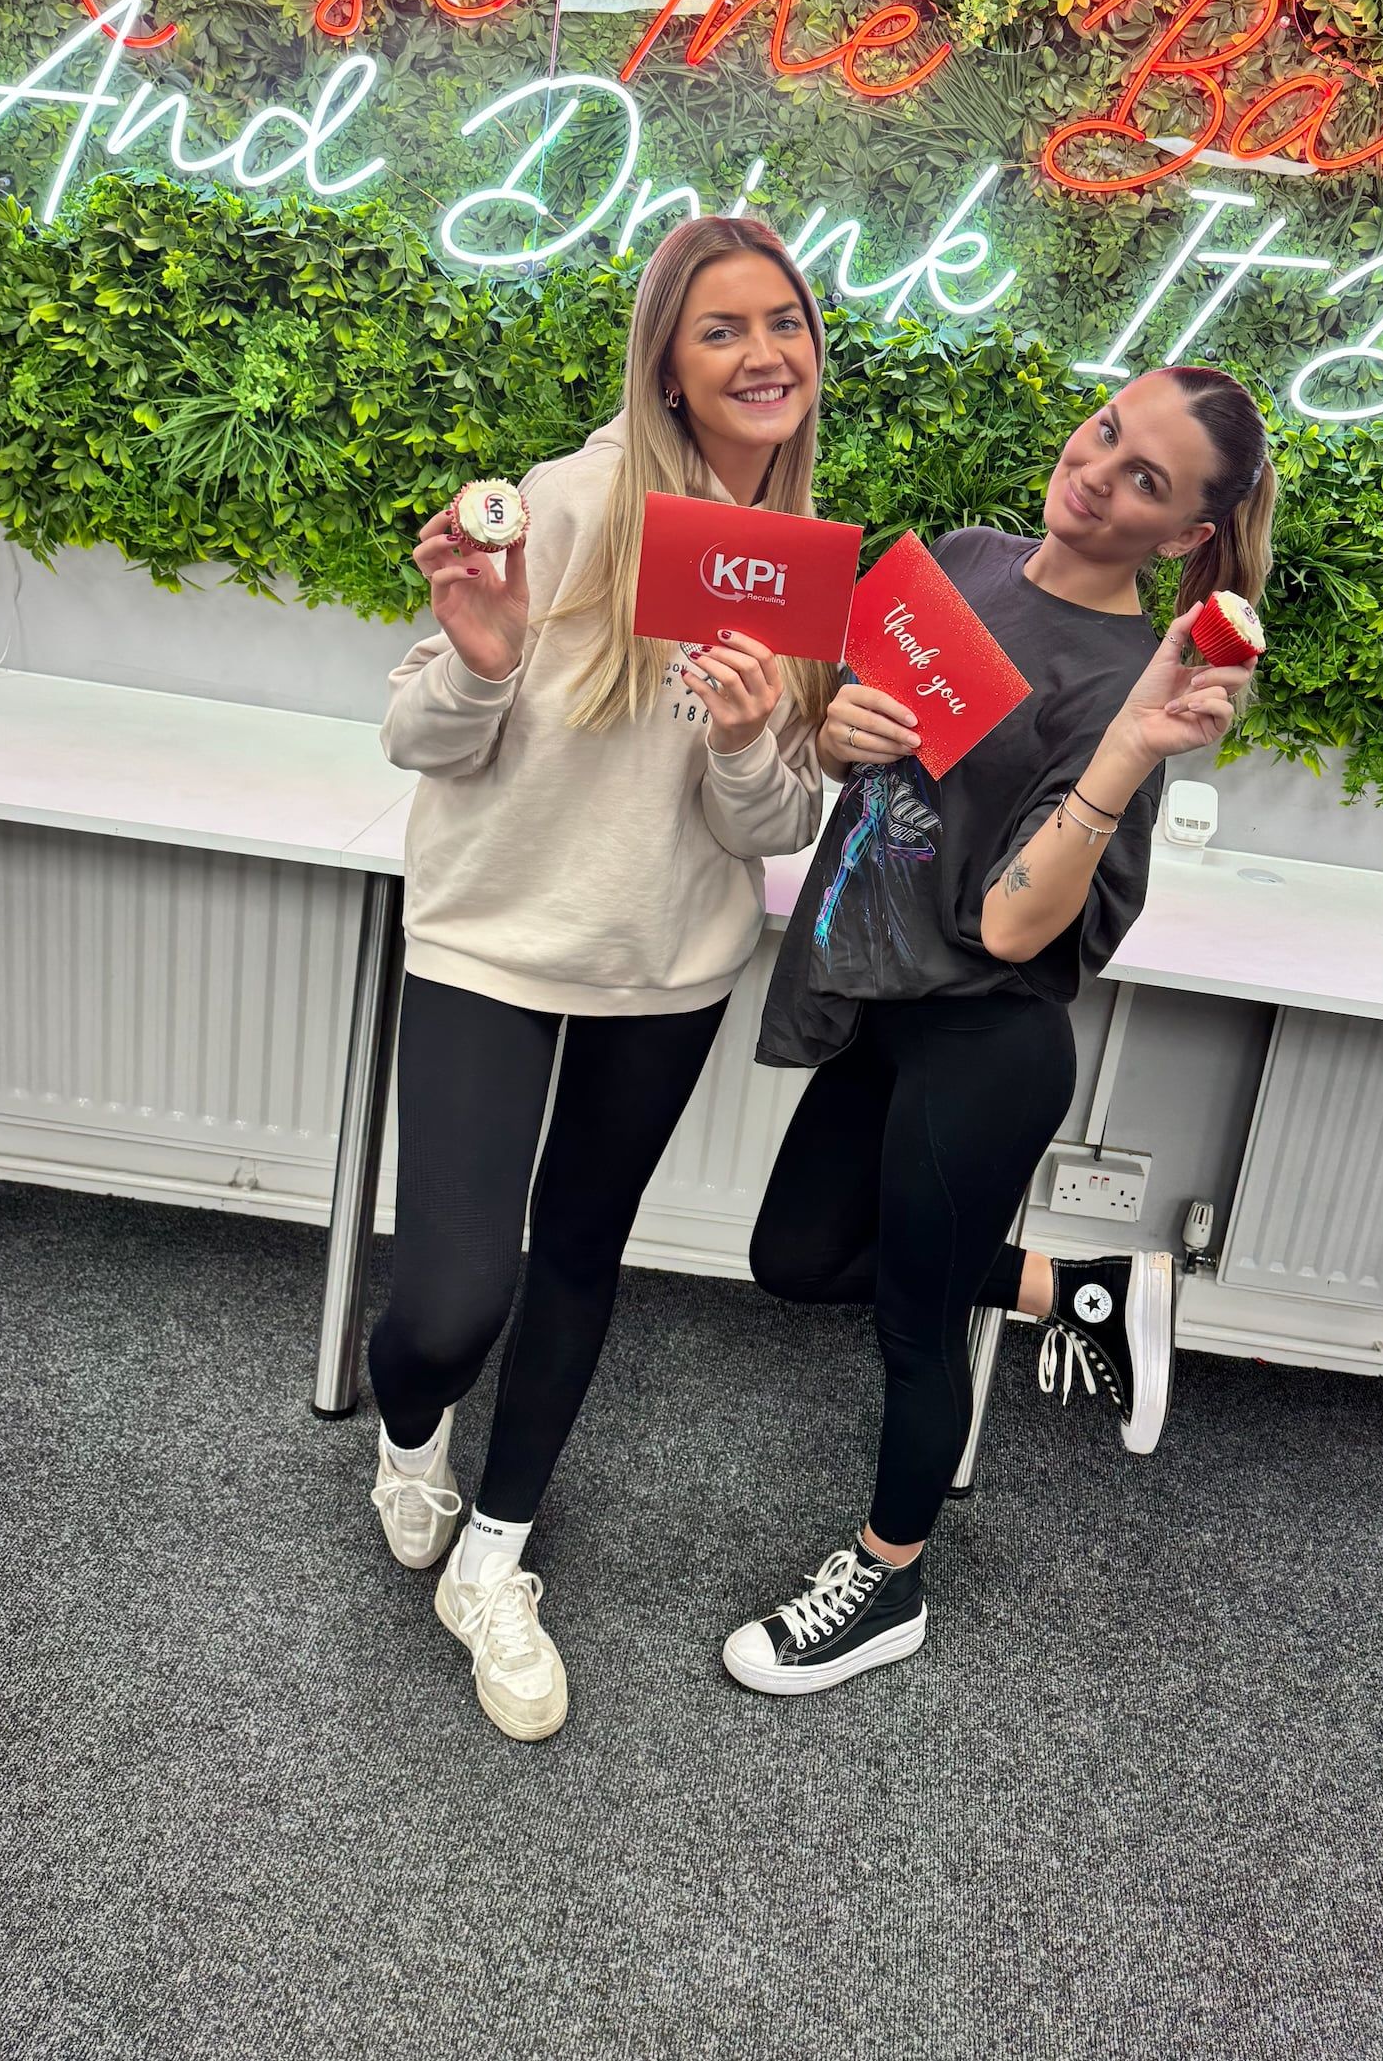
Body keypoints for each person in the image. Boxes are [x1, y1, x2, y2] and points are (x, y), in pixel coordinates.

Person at [724, 364, 1273, 1697]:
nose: (1095, 472)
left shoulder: (1121, 688)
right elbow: (855, 757)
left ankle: (885, 1580)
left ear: (1187, 534)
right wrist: (832, 720)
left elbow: (1023, 928)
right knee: (794, 1255)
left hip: (987, 1034)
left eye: (1144, 478)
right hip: (883, 996)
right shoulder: (963, 560)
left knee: (913, 1318)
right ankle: (1074, 1289)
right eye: (1103, 433)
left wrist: (1128, 754)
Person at [367, 216, 831, 1741]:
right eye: (722, 329)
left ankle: (496, 1558)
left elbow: (768, 830)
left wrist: (747, 739)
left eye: (784, 321)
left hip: (668, 959)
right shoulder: (562, 508)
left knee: (579, 1252)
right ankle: (413, 1428)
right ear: (669, 366)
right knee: (446, 1300)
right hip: (494, 936)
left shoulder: (799, 565)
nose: (763, 352)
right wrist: (483, 659)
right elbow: (415, 737)